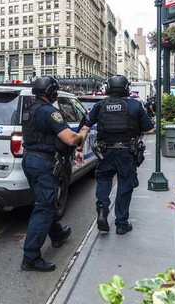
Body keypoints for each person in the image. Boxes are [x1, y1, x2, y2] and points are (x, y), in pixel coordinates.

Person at [20, 76, 84, 272]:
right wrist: (82, 134)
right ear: (51, 92)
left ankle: (57, 234)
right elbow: (71, 139)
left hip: (30, 160)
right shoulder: (50, 112)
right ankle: (30, 258)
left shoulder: (29, 110)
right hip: (44, 163)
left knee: (43, 202)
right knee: (44, 207)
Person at [78, 75, 154, 235]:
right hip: (127, 152)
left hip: (105, 152)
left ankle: (102, 212)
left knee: (104, 181)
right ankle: (121, 223)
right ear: (126, 89)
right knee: (125, 185)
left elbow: (85, 128)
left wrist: (79, 149)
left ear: (108, 89)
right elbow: (149, 129)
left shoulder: (100, 105)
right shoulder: (135, 105)